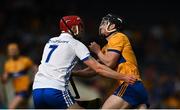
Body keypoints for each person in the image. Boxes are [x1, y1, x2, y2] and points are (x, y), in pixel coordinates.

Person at [32, 15, 136, 109]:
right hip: (56, 90)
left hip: (37, 90)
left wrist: (73, 73)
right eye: (80, 26)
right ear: (73, 28)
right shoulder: (75, 44)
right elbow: (98, 68)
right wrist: (123, 77)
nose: (82, 30)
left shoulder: (50, 41)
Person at [87, 14, 149, 109]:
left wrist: (97, 51)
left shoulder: (118, 37)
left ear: (112, 26)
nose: (101, 26)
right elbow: (94, 69)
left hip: (130, 84)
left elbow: (109, 63)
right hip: (136, 86)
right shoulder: (106, 48)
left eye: (104, 23)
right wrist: (74, 73)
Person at [1, 43, 37, 109]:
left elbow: (35, 69)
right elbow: (4, 80)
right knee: (23, 107)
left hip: (25, 89)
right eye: (11, 50)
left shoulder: (25, 60)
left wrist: (34, 79)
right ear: (8, 52)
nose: (13, 51)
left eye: (14, 50)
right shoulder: (8, 64)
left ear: (18, 50)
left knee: (11, 107)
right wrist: (4, 78)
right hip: (17, 91)